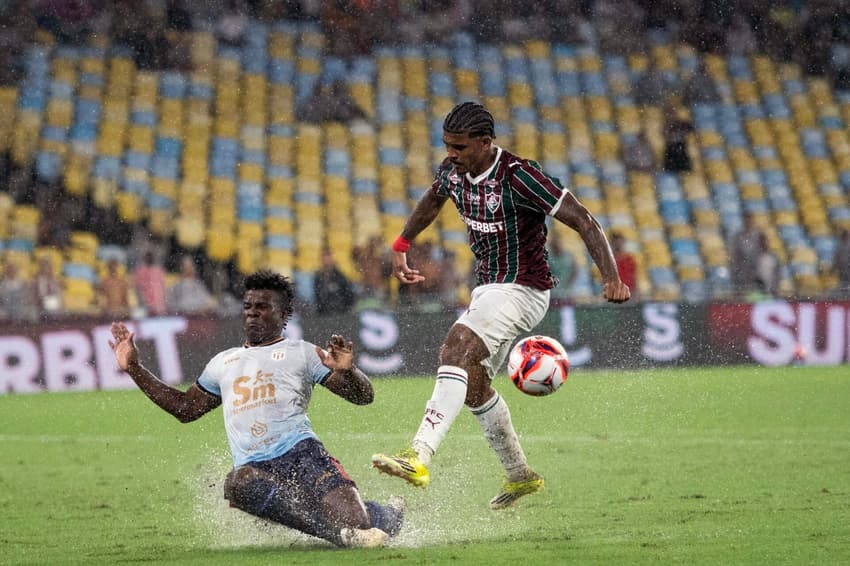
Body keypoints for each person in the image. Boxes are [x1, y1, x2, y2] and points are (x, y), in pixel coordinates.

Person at [371, 102, 630, 509]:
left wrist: (611, 277)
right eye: (447, 145)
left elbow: (583, 219)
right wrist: (402, 243)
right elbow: (433, 199)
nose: (451, 154)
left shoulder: (520, 175)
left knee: (455, 348)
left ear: (485, 142)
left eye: (459, 147)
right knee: (473, 383)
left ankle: (417, 455)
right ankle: (520, 475)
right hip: (488, 290)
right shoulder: (452, 171)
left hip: (524, 288)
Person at [108, 269, 404, 548]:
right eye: (248, 306)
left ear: (283, 314)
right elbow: (185, 409)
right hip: (255, 467)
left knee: (358, 522)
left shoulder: (303, 353)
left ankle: (383, 515)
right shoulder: (223, 363)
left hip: (303, 455)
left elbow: (363, 397)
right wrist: (135, 369)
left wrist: (349, 372)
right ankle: (339, 534)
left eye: (262, 307)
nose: (252, 312)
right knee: (237, 483)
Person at [313, 248, 355, 315]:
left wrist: (345, 308)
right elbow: (318, 297)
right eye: (324, 258)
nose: (326, 261)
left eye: (328, 258)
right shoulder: (318, 277)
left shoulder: (339, 276)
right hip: (324, 312)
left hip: (340, 310)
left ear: (332, 259)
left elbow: (348, 294)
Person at [134, 250, 167, 316]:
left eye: (150, 257)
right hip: (145, 304)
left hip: (158, 304)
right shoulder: (140, 271)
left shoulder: (159, 270)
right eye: (147, 257)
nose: (149, 259)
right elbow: (138, 288)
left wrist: (163, 303)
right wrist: (142, 301)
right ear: (144, 258)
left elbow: (162, 287)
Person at [611, 232, 638, 299]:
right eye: (616, 243)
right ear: (612, 244)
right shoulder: (609, 260)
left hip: (630, 292)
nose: (618, 245)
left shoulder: (629, 259)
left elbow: (634, 277)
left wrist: (636, 291)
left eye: (619, 243)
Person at [834, 228, 850, 295]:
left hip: (847, 267)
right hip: (841, 268)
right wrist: (835, 265)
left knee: (847, 282)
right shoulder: (839, 245)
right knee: (843, 282)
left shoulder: (847, 245)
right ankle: (844, 295)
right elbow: (836, 256)